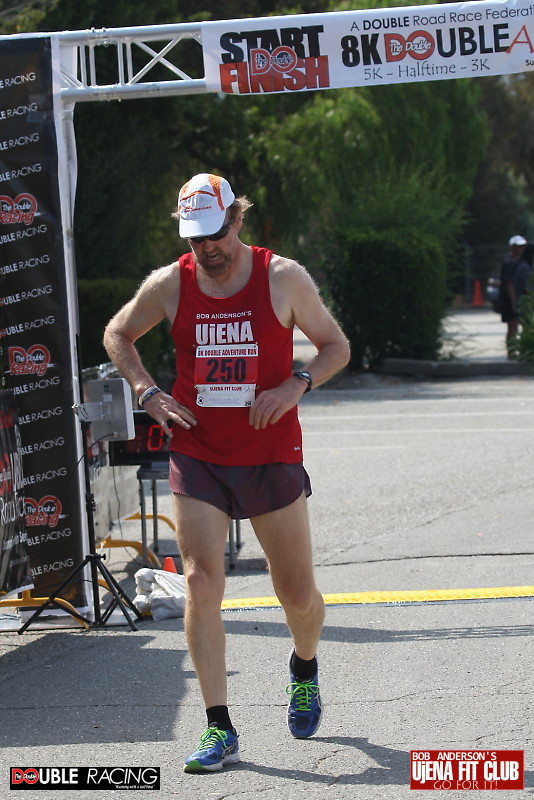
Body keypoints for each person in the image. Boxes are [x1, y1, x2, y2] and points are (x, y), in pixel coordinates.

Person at [103, 173, 350, 773]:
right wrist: (147, 392)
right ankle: (219, 727)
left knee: (297, 595)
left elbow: (335, 346)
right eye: (195, 239)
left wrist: (295, 384)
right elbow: (118, 333)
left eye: (215, 234)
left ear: (237, 219)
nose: (207, 248)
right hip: (199, 451)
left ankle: (304, 667)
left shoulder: (282, 277)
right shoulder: (171, 283)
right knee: (200, 581)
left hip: (269, 451)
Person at [498, 235, 529, 356]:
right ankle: (511, 352)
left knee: (524, 324)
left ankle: (523, 350)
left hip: (520, 298)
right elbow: (508, 282)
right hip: (510, 299)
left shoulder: (520, 261)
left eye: (522, 246)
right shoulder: (510, 262)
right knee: (512, 325)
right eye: (518, 246)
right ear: (512, 247)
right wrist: (514, 301)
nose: (520, 248)